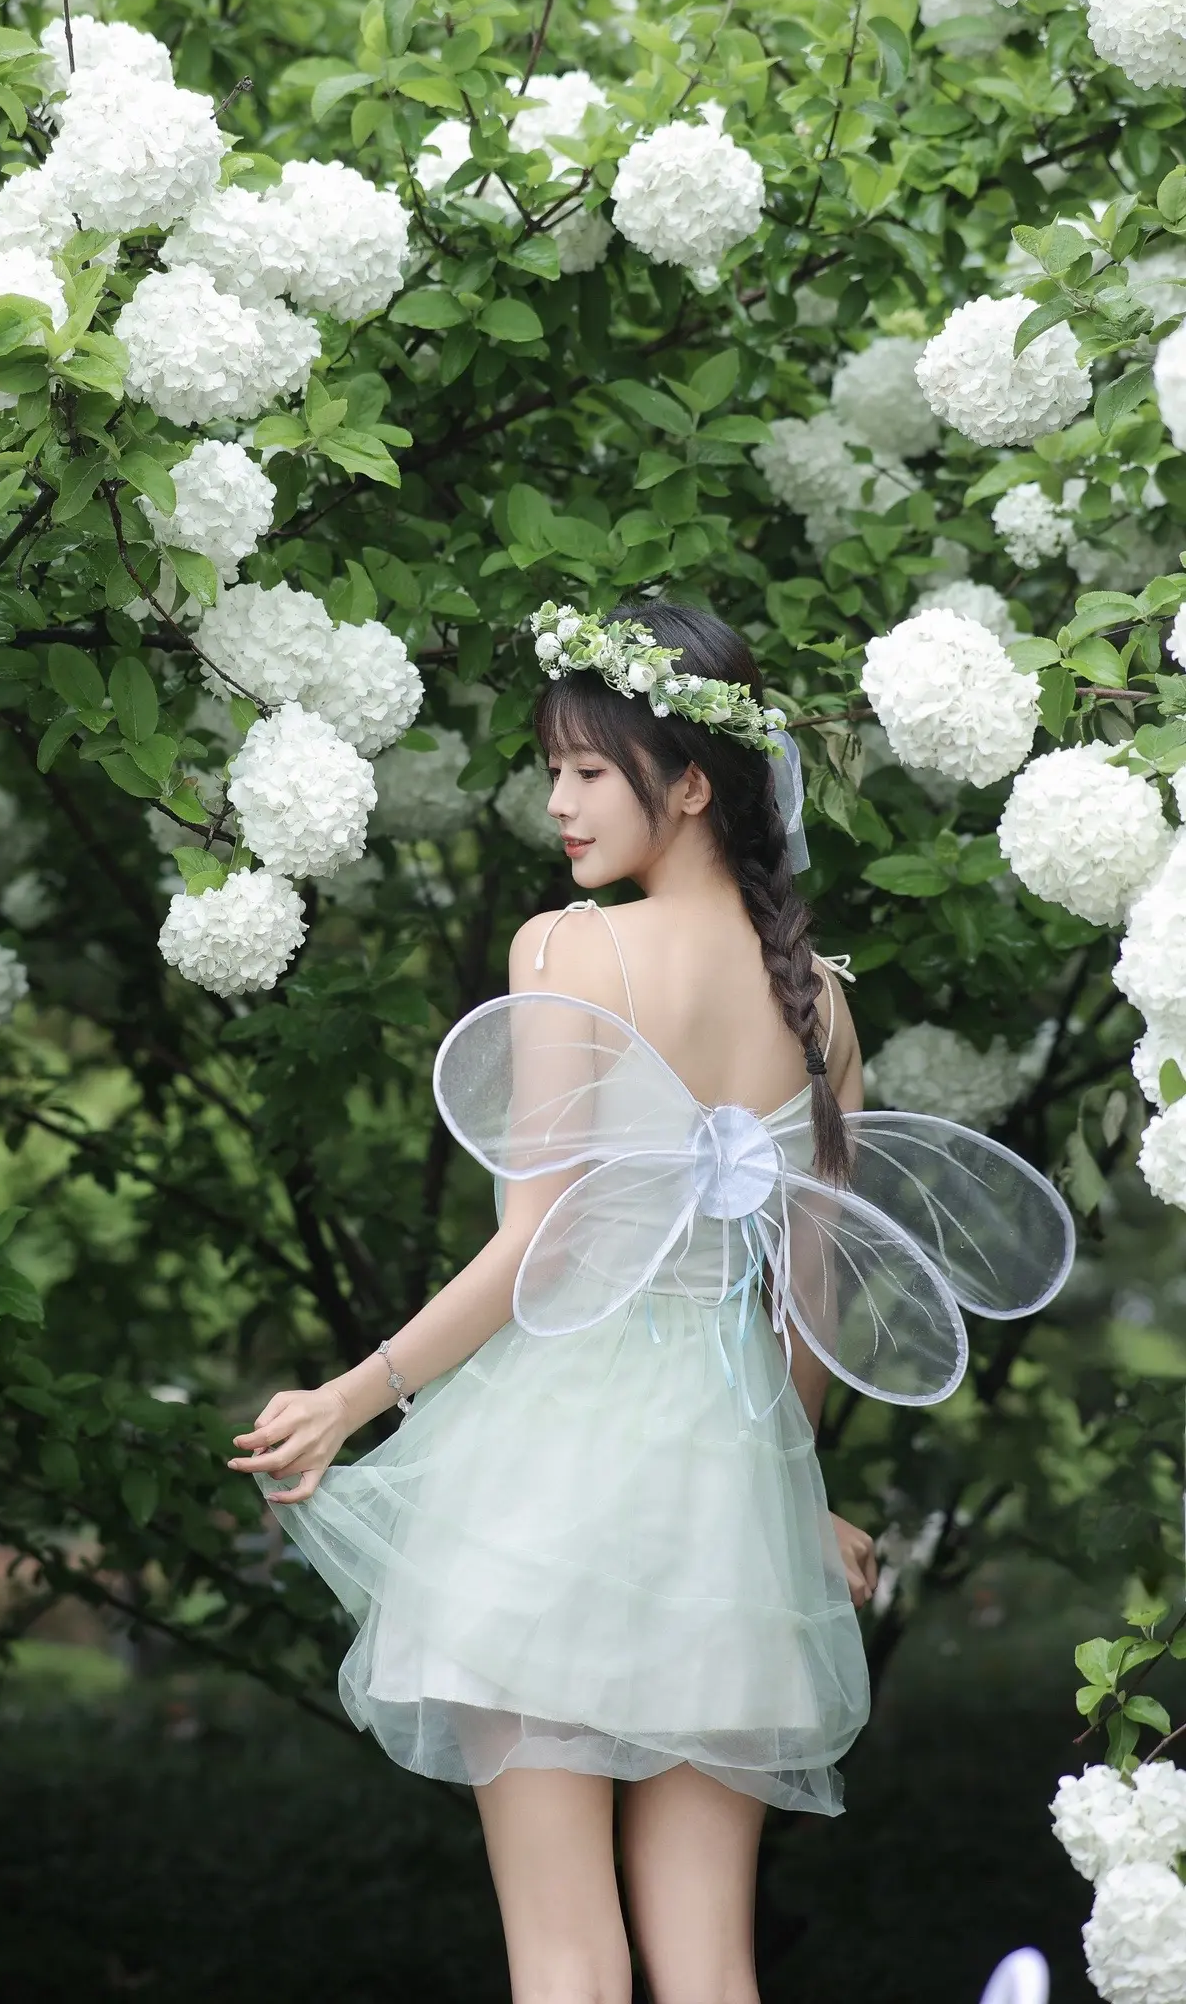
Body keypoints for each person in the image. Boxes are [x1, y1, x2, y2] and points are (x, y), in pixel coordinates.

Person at [228, 600, 1073, 2004]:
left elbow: (539, 1249)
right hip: (726, 1483)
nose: (558, 804)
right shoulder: (819, 1003)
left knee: (566, 1957)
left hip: (558, 1463)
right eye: (552, 770)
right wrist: (792, 1496)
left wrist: (351, 1396)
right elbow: (811, 1291)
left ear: (689, 783)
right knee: (711, 1963)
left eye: (588, 771)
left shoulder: (573, 950)